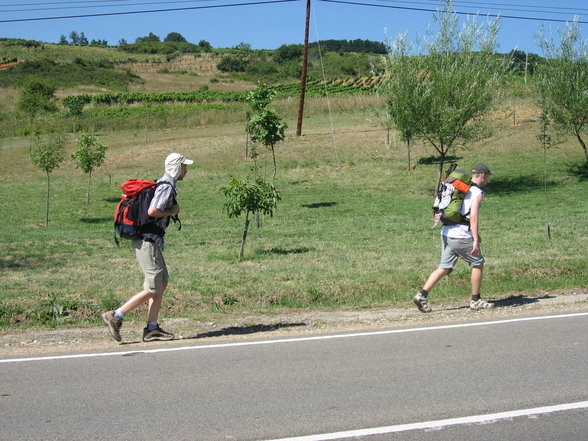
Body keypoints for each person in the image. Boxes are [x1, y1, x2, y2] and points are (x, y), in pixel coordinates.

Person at [102, 153, 193, 342]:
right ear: (176, 167)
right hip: (147, 241)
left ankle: (152, 328)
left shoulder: (163, 184)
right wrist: (172, 211)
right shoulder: (166, 187)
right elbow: (153, 211)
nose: (186, 170)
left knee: (162, 282)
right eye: (184, 166)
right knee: (154, 285)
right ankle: (115, 315)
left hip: (150, 241)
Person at [413, 163, 494, 313]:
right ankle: (475, 300)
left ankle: (421, 295)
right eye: (487, 177)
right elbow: (473, 216)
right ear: (483, 175)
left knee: (445, 267)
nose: (487, 180)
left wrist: (477, 235)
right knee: (478, 263)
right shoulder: (477, 192)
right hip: (461, 235)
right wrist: (475, 239)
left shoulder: (462, 189)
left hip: (447, 232)